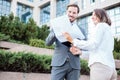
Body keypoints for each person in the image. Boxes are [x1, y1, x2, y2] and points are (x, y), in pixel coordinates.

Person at [63, 8, 117, 80]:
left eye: (94, 15)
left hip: (100, 67)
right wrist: (81, 52)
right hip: (111, 68)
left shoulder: (100, 26)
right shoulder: (108, 30)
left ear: (100, 15)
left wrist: (73, 41)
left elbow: (92, 44)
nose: (92, 17)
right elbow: (97, 50)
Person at [46, 4, 86, 80]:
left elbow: (86, 47)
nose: (71, 14)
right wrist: (55, 32)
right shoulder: (57, 26)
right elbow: (48, 43)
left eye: (74, 13)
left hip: (74, 65)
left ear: (77, 14)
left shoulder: (81, 30)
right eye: (69, 12)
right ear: (66, 12)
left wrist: (79, 50)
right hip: (58, 63)